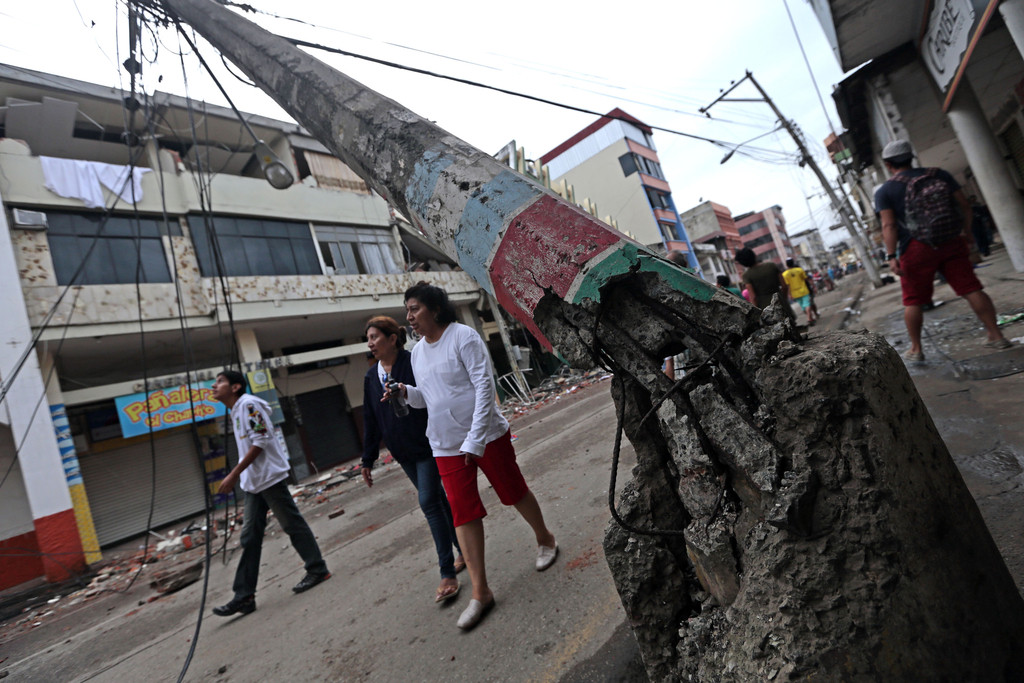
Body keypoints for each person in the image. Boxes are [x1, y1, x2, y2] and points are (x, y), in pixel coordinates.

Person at [390, 283, 557, 631]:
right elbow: (430, 398)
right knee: (462, 513)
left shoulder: (462, 337)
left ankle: (545, 539)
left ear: (435, 309)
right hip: (445, 445)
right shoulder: (417, 353)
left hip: (485, 435)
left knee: (512, 492)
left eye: (415, 309)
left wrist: (476, 439)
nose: (409, 317)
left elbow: (484, 387)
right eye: (407, 310)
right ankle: (481, 592)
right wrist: (407, 393)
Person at [875, 139, 1011, 362]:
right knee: (971, 288)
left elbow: (888, 225)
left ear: (889, 164)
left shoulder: (886, 191)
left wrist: (891, 256)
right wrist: (966, 232)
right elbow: (964, 205)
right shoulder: (940, 175)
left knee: (913, 301)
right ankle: (996, 336)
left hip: (915, 248)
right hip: (951, 241)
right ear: (911, 157)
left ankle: (916, 349)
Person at [361, 315, 465, 604]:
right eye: (367, 339)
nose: (370, 343)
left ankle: (447, 572)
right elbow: (370, 420)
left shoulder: (413, 361)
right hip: (403, 452)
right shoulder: (371, 377)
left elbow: (433, 396)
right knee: (439, 502)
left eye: (374, 337)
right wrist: (367, 460)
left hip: (429, 444)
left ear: (392, 338)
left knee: (429, 502)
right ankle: (464, 550)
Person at [211, 370, 330, 617]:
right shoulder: (235, 411)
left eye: (220, 381)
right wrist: (241, 477)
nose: (214, 385)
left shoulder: (250, 405)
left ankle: (317, 569)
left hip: (269, 478)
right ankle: (244, 597)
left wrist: (233, 474)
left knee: (292, 524)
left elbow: (261, 440)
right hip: (254, 484)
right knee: (249, 538)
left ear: (235, 387)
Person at [735, 248, 791, 317]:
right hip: (782, 303)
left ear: (743, 263)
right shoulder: (771, 265)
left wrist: (756, 314)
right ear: (754, 255)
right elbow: (784, 286)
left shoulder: (747, 275)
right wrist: (784, 299)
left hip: (766, 309)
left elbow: (753, 297)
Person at [782, 258, 818, 325]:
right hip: (804, 291)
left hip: (795, 293)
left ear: (786, 265)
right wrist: (813, 286)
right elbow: (806, 279)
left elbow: (788, 285)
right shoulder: (799, 270)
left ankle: (810, 317)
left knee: (803, 307)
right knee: (807, 304)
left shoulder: (785, 274)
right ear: (793, 263)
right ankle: (809, 318)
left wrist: (789, 294)